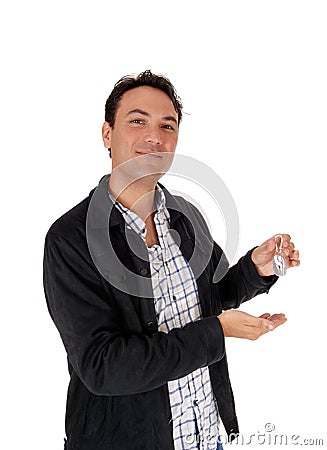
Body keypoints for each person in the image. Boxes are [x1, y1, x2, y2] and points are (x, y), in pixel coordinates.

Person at [43, 70, 300, 450]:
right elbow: (103, 366)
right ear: (107, 134)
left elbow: (211, 297)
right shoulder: (70, 240)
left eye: (168, 126)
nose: (155, 137)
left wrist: (256, 268)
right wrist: (218, 332)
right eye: (137, 121)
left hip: (203, 433)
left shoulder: (185, 216)